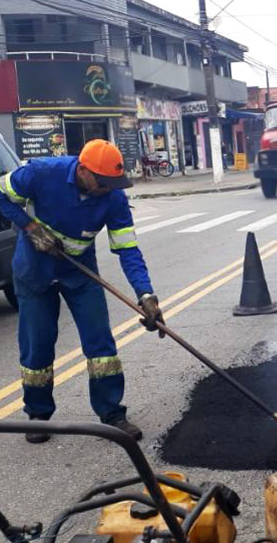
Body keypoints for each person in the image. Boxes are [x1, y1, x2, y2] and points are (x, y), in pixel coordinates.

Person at [0, 139, 164, 444]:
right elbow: (1, 192)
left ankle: (112, 413)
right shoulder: (41, 173)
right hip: (34, 274)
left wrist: (146, 295)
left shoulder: (113, 199)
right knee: (37, 345)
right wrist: (29, 228)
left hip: (79, 274)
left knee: (100, 343)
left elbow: (128, 249)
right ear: (84, 171)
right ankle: (38, 415)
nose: (108, 189)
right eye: (103, 182)